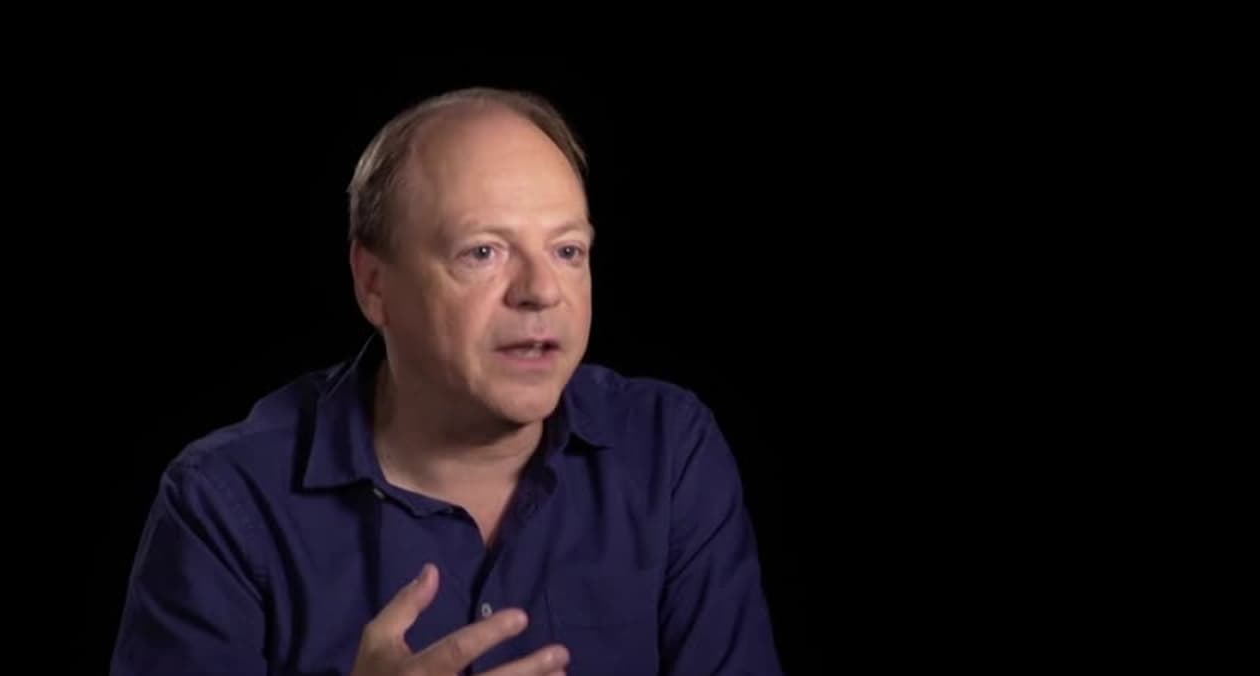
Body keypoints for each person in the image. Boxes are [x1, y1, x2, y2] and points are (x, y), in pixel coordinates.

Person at [110, 87, 783, 676]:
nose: (542, 290)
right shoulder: (224, 504)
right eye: (483, 251)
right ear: (374, 285)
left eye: (567, 250)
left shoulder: (668, 452)